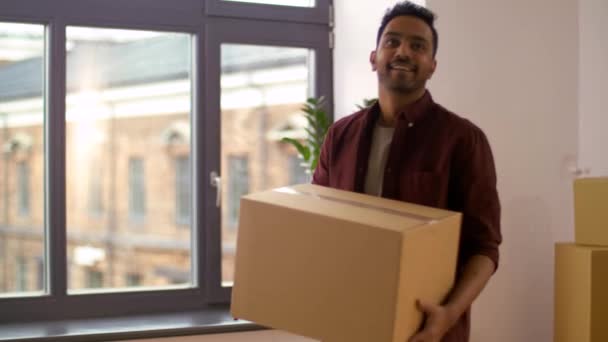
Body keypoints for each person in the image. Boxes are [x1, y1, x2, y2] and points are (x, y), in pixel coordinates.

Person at [312, 2, 502, 341]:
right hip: (349, 322)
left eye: (418, 46)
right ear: (374, 57)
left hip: (425, 330)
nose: (403, 51)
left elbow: (484, 248)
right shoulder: (340, 136)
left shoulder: (463, 140)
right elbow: (319, 228)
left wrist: (447, 315)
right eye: (392, 41)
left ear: (432, 66)